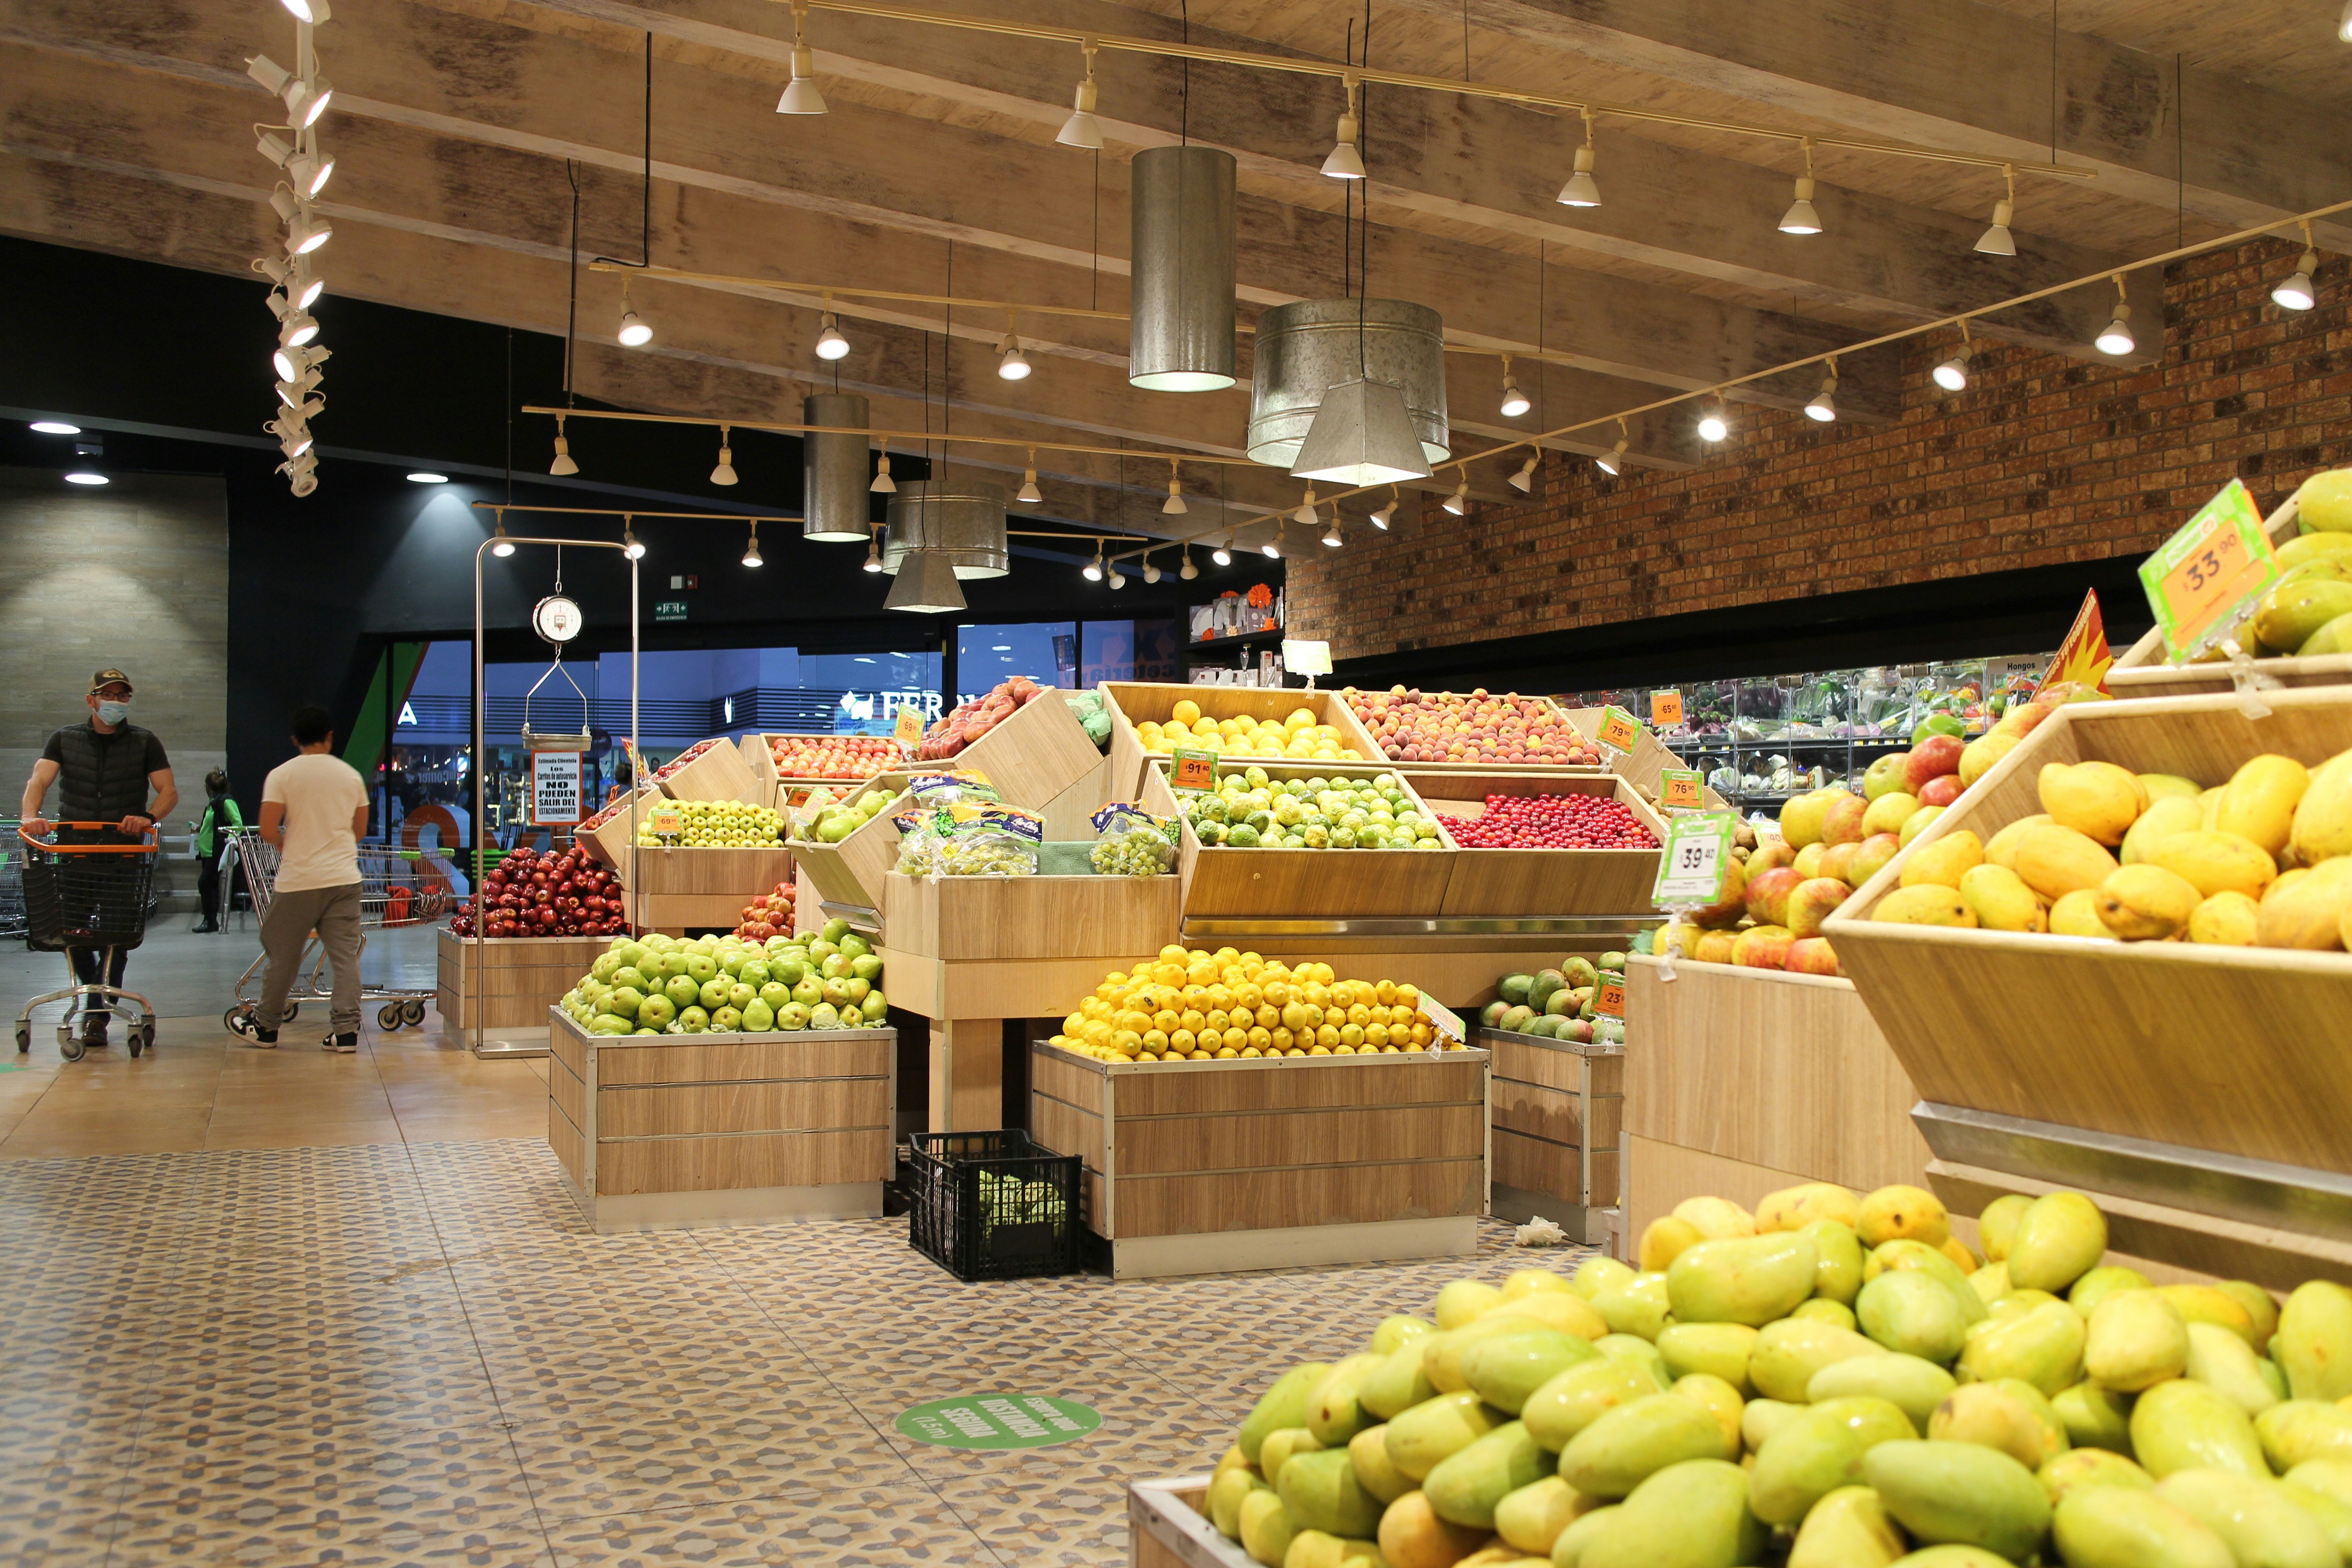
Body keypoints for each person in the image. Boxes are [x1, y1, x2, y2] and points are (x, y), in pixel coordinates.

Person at [21, 668, 177, 1049]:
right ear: (91, 699)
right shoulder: (64, 739)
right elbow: (39, 781)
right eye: (109, 695)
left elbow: (168, 791)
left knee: (117, 936)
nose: (116, 702)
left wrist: (148, 817)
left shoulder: (145, 742)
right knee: (71, 931)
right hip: (75, 852)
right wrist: (30, 816)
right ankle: (96, 994)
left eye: (123, 696)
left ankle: (96, 1015)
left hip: (123, 854)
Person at [231, 706, 369, 1052]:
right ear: (330, 737)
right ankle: (346, 1033)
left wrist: (286, 844)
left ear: (295, 739)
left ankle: (266, 1027)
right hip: (344, 879)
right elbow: (360, 830)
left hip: (299, 881)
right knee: (345, 958)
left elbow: (267, 829)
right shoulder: (351, 776)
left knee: (284, 955)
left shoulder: (282, 775)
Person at [193, 769, 243, 933]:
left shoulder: (226, 802)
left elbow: (238, 823)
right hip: (207, 852)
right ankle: (211, 921)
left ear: (208, 787)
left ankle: (209, 920)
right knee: (212, 886)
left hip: (217, 850)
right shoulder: (213, 804)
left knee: (204, 883)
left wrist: (230, 840)